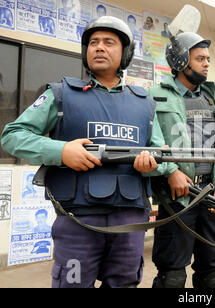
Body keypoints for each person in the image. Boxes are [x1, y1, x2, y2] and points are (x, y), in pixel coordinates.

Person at [1, 16, 166, 288]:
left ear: (125, 53)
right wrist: (62, 151)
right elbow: (13, 136)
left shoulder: (145, 104)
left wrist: (153, 164)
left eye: (108, 42)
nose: (99, 47)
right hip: (78, 221)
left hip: (129, 222)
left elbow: (159, 154)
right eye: (93, 42)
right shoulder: (60, 94)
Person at [148, 32, 215, 288]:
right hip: (176, 198)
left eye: (208, 58)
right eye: (200, 58)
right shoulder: (154, 95)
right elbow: (150, 140)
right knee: (172, 271)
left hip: (210, 196)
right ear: (181, 61)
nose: (207, 63)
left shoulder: (214, 99)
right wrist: (171, 170)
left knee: (210, 267)